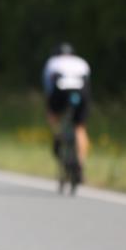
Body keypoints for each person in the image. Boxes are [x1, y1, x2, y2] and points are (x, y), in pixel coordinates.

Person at [42, 42, 91, 180]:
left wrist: (51, 106)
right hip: (81, 91)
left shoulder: (52, 62)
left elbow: (48, 86)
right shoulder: (81, 62)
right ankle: (80, 164)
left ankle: (58, 136)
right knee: (80, 127)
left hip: (61, 89)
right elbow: (88, 82)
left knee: (53, 114)